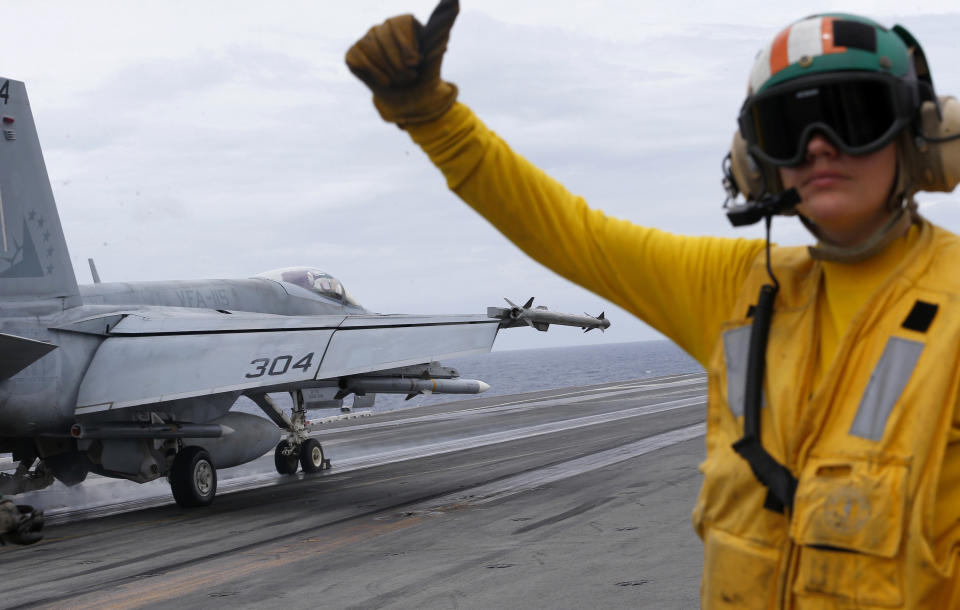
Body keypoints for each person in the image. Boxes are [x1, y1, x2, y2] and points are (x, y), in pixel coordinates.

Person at [346, 3, 960, 607]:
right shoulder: (735, 288)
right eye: (788, 128)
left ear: (922, 136)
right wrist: (432, 118)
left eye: (852, 116)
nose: (819, 147)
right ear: (756, 161)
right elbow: (568, 232)